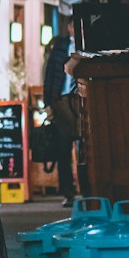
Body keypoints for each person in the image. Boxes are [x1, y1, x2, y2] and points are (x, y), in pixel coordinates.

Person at [42, 33, 78, 206]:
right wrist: (47, 102)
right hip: (61, 100)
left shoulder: (86, 46)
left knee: (85, 151)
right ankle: (68, 193)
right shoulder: (60, 48)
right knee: (63, 151)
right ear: (70, 27)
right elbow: (49, 74)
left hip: (81, 100)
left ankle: (88, 190)